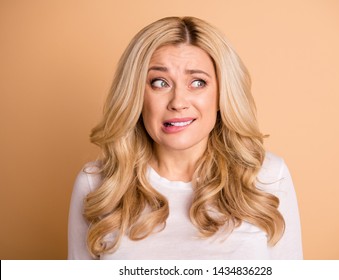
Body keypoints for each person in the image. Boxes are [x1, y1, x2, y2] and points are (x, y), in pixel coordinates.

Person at [68, 16, 303, 260]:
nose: (178, 102)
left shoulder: (267, 177)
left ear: (222, 94)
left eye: (197, 82)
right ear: (136, 95)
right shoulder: (97, 185)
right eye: (159, 83)